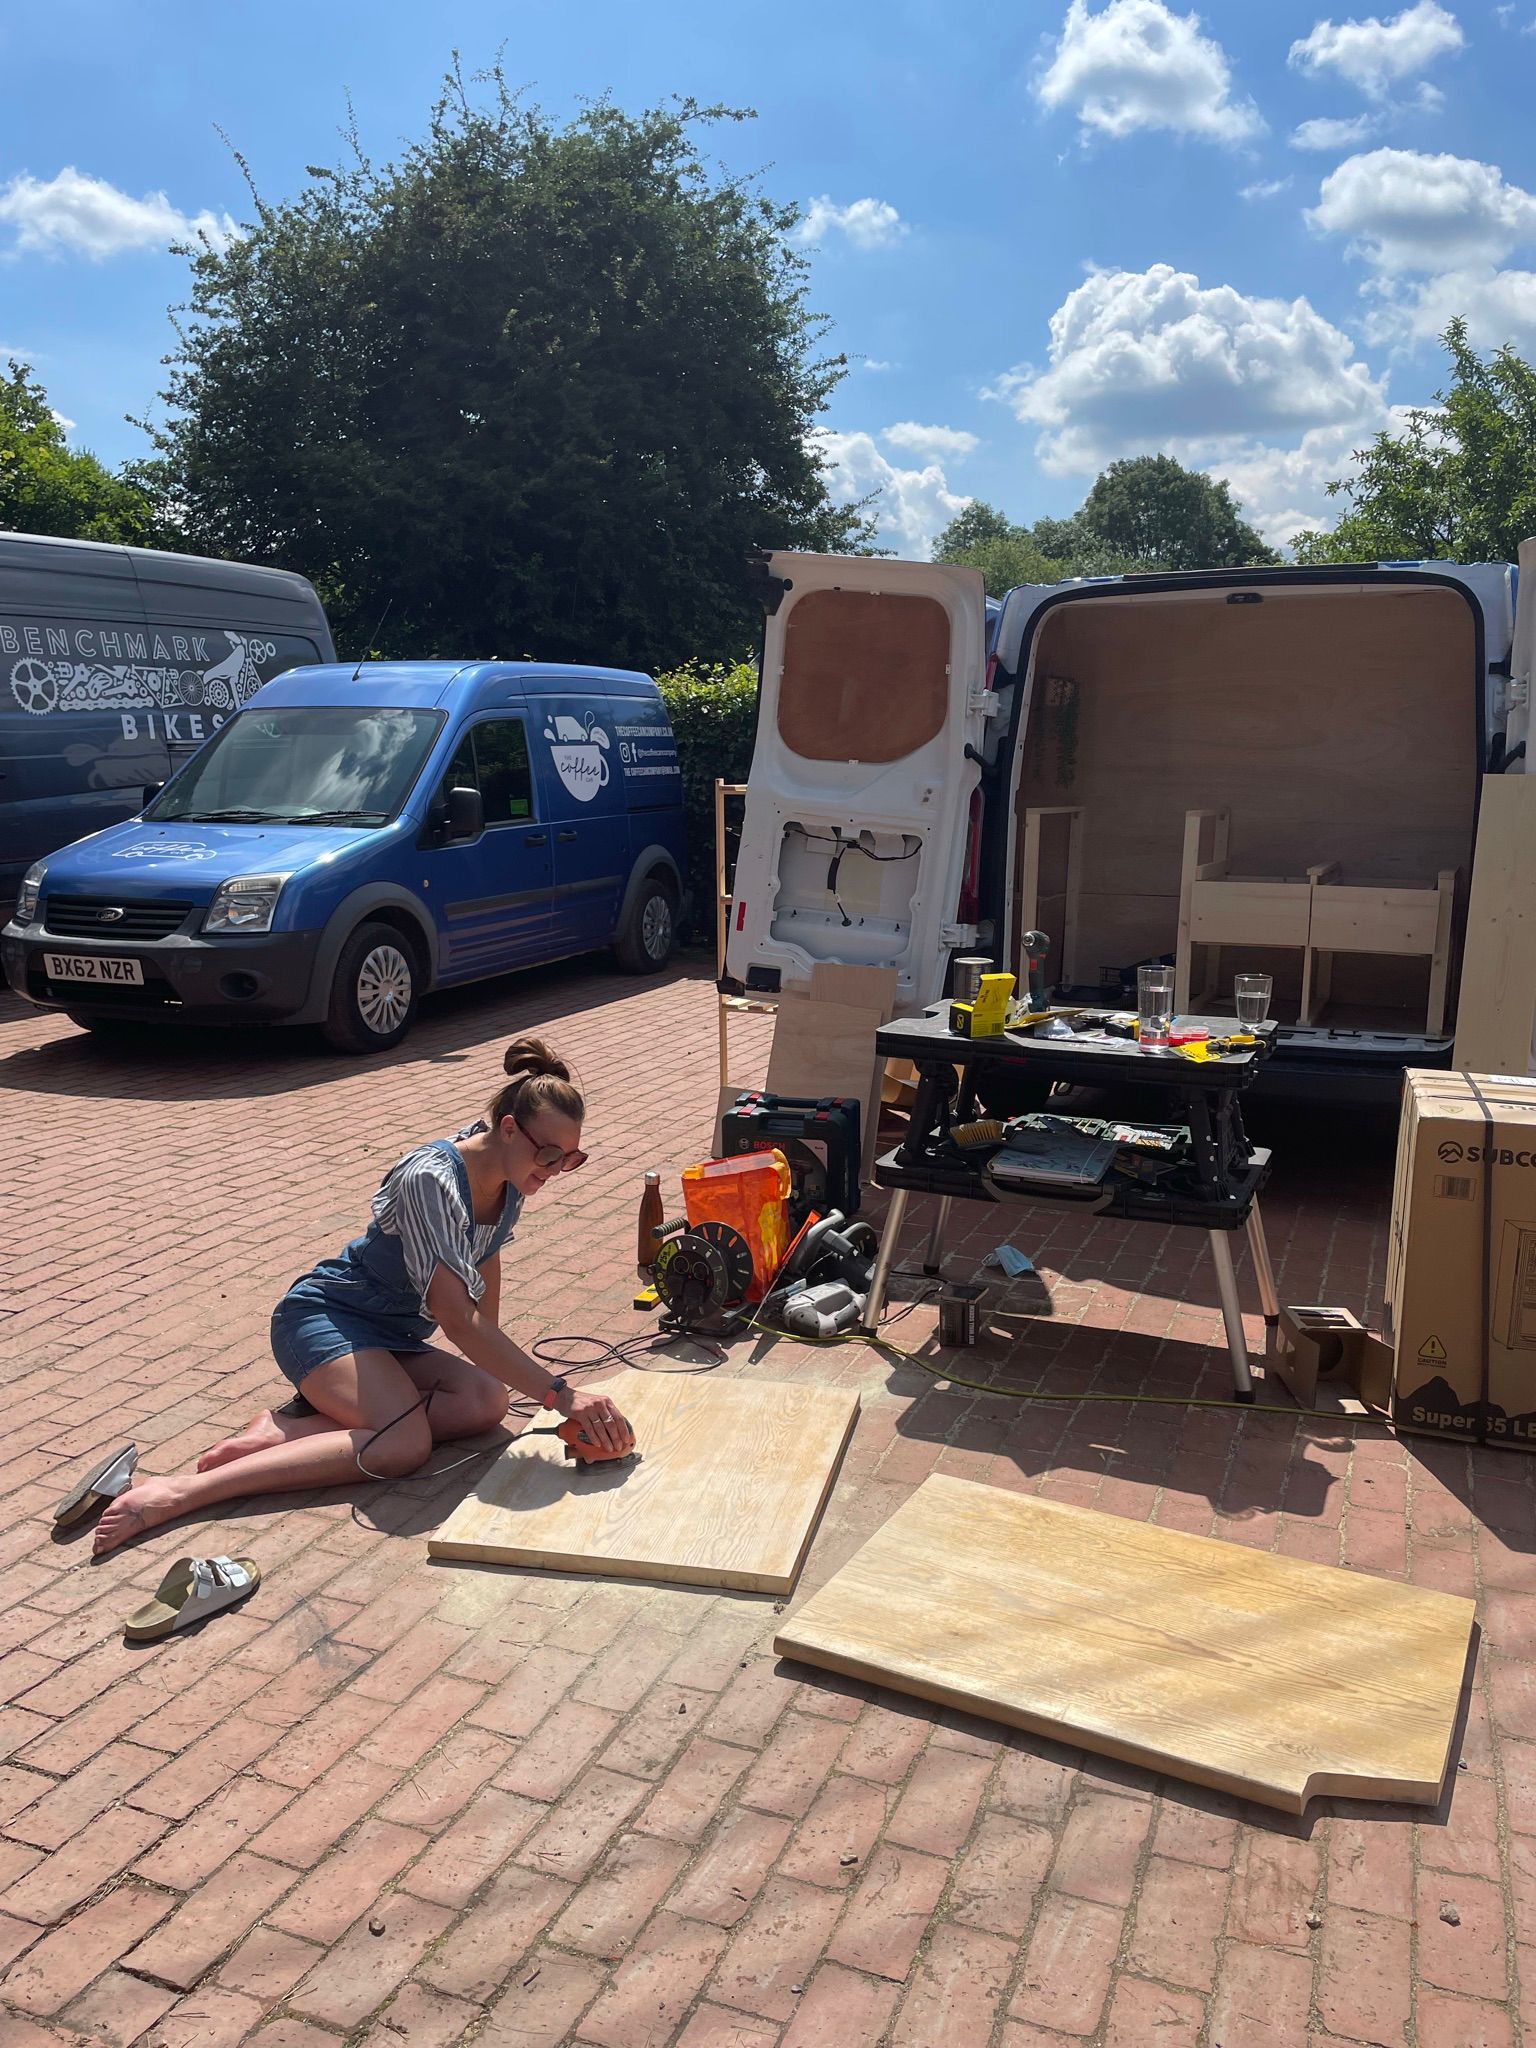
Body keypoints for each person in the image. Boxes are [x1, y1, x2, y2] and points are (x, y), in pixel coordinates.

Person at [92, 1037, 634, 1556]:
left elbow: (482, 1295)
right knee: (403, 1447)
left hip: (390, 1337)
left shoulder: (513, 1176)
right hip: (324, 1320)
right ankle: (180, 1492)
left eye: (570, 1159)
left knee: (486, 1401)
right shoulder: (432, 1179)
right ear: (510, 1129)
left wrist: (512, 1377)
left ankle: (291, 1431)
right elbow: (457, 1319)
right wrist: (562, 1396)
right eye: (550, 1155)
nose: (557, 1170)